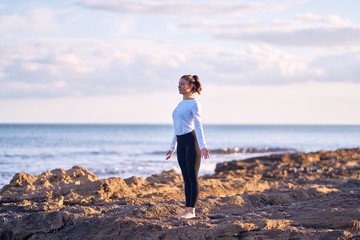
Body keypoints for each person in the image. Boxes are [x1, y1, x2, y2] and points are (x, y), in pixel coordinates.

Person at [165, 74, 211, 219]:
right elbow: (176, 128)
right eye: (178, 83)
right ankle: (187, 209)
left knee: (192, 178)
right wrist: (172, 147)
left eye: (182, 83)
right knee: (185, 178)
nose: (179, 86)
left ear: (191, 86)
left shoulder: (194, 104)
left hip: (191, 143)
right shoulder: (179, 105)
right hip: (181, 144)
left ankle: (192, 210)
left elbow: (198, 126)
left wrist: (203, 145)